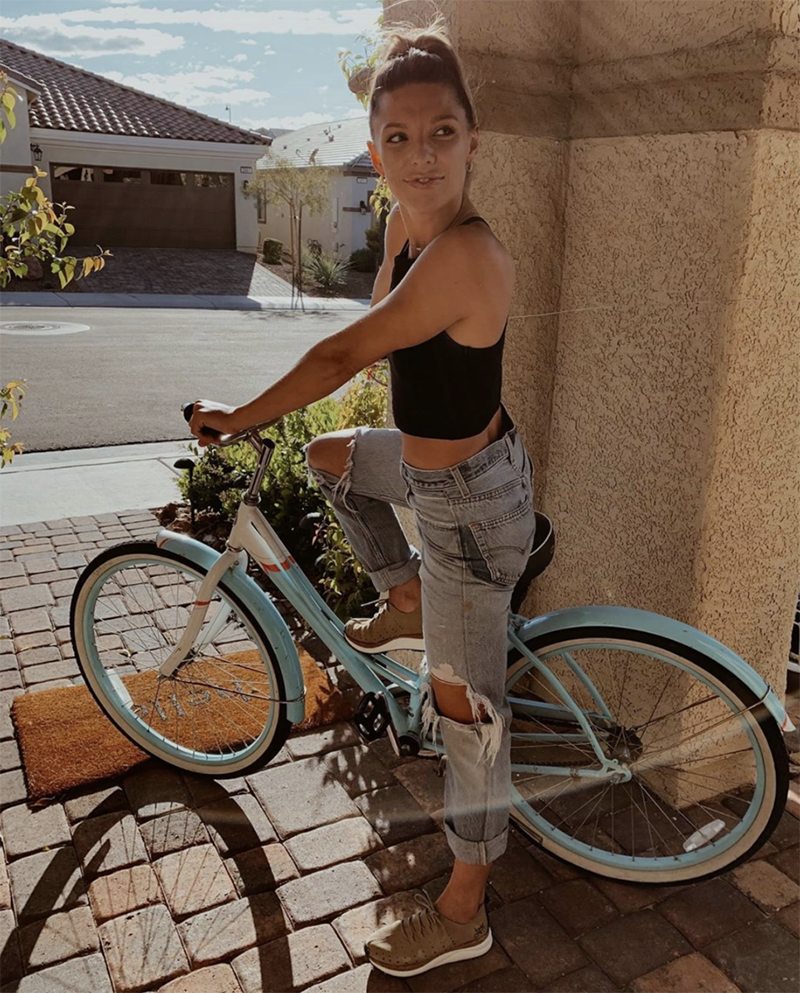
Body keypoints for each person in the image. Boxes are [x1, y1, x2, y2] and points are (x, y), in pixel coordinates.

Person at [188, 13, 536, 980]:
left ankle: (465, 906)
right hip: (436, 474)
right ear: (374, 149)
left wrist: (246, 413)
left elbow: (349, 350)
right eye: (397, 138)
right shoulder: (404, 226)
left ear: (474, 139)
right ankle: (408, 594)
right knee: (332, 459)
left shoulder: (468, 252)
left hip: (469, 505)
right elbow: (376, 328)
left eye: (440, 134)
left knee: (465, 718)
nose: (420, 156)